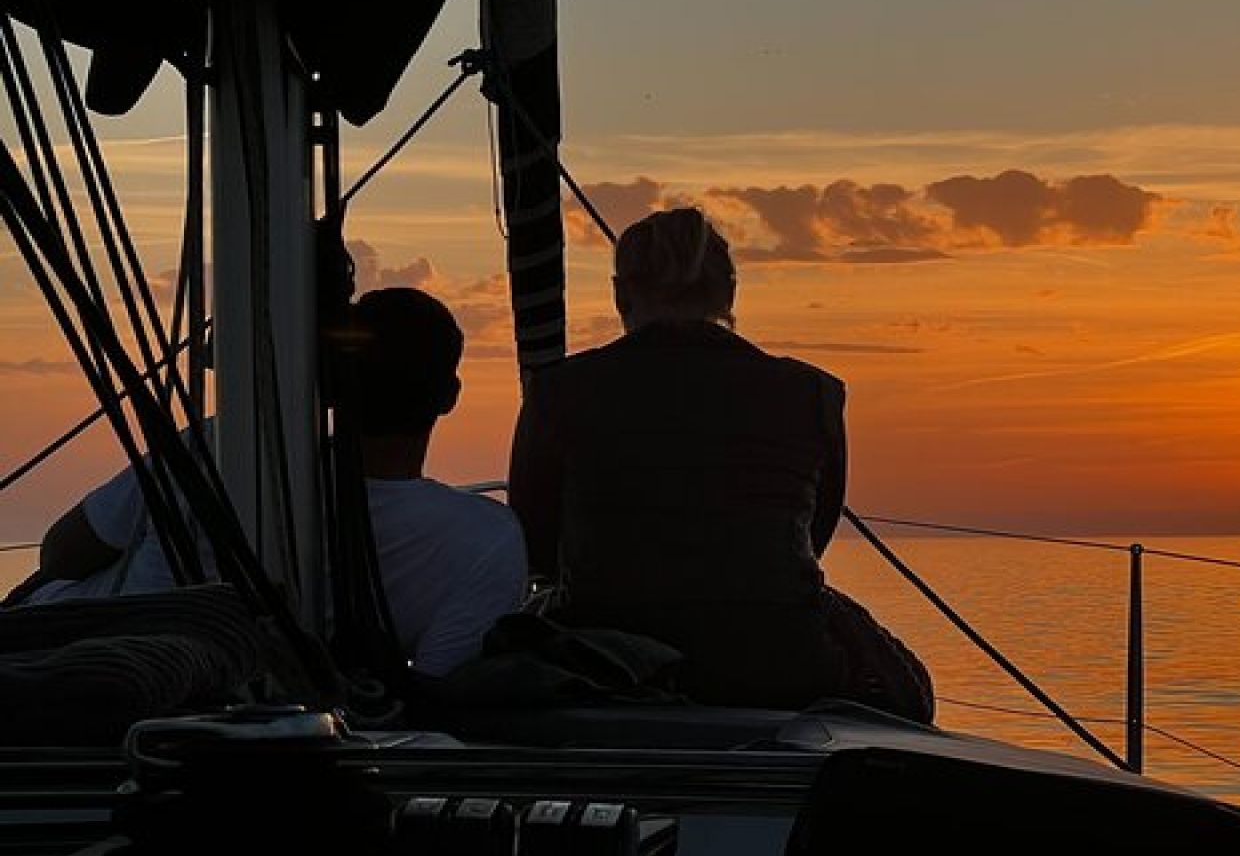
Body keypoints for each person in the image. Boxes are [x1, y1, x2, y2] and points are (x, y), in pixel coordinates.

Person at [509, 207, 931, 719]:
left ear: (621, 294)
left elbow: (534, 535)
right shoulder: (811, 393)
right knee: (907, 685)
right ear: (730, 293)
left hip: (608, 652)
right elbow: (812, 532)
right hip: (779, 654)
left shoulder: (558, 391)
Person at [14, 288, 526, 678]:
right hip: (187, 695)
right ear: (449, 396)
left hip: (60, 652)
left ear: (328, 383)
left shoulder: (227, 442)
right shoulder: (486, 541)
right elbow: (433, 684)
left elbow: (62, 554)